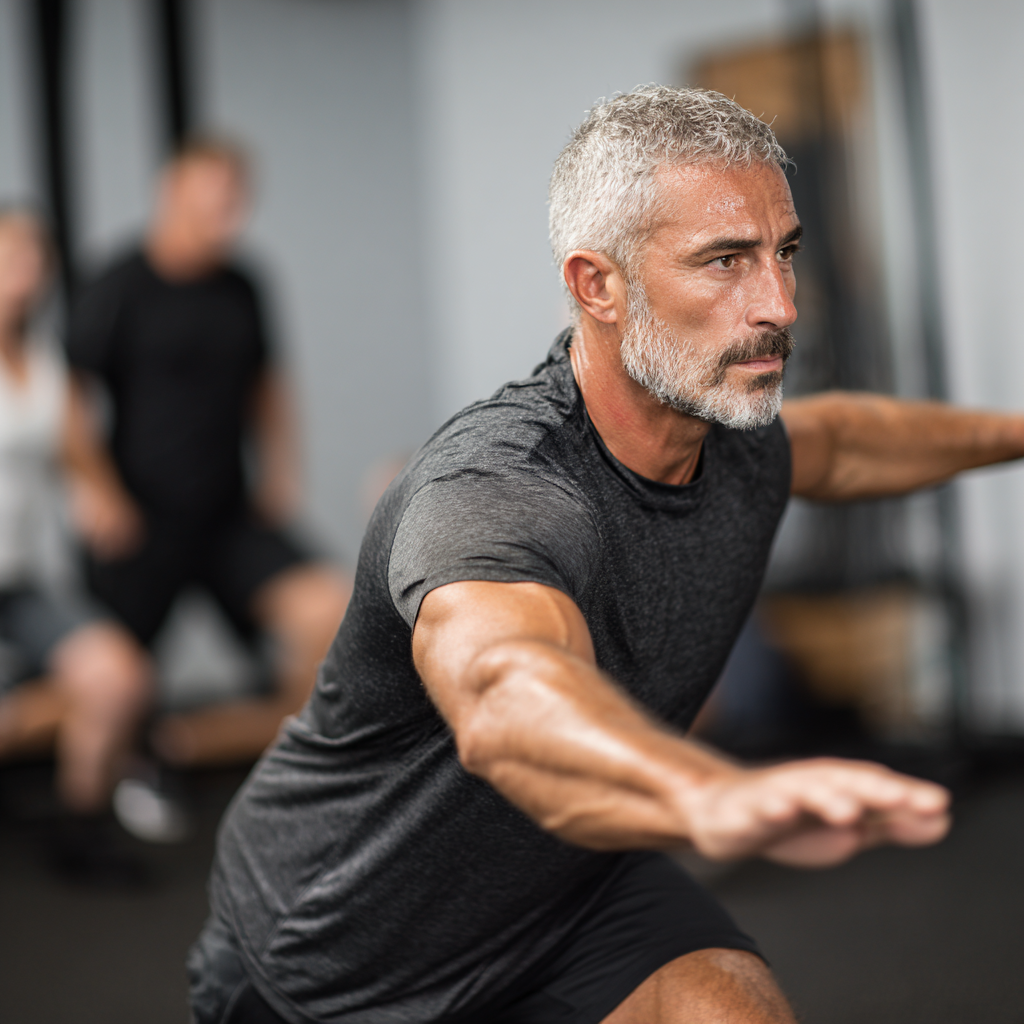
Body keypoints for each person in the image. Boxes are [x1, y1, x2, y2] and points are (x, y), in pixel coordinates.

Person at [188, 86, 1020, 1024]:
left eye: (783, 253)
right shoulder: (497, 492)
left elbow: (849, 441)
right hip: (340, 951)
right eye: (726, 261)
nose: (781, 305)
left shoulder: (731, 430)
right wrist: (708, 794)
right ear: (598, 285)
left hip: (565, 897)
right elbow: (505, 695)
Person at [65, 138, 350, 768]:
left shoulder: (245, 284)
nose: (225, 213)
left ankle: (278, 767)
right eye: (209, 198)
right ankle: (102, 806)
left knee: (325, 608)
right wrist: (97, 490)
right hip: (142, 519)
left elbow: (268, 385)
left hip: (226, 513)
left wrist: (281, 472)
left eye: (234, 200)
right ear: (171, 194)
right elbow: (70, 398)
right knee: (113, 677)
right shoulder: (118, 286)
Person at [0, 207, 153, 873]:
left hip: (20, 581)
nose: (24, 270)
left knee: (119, 678)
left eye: (34, 257)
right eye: (9, 255)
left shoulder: (41, 359)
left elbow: (76, 449)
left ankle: (82, 830)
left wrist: (100, 492)